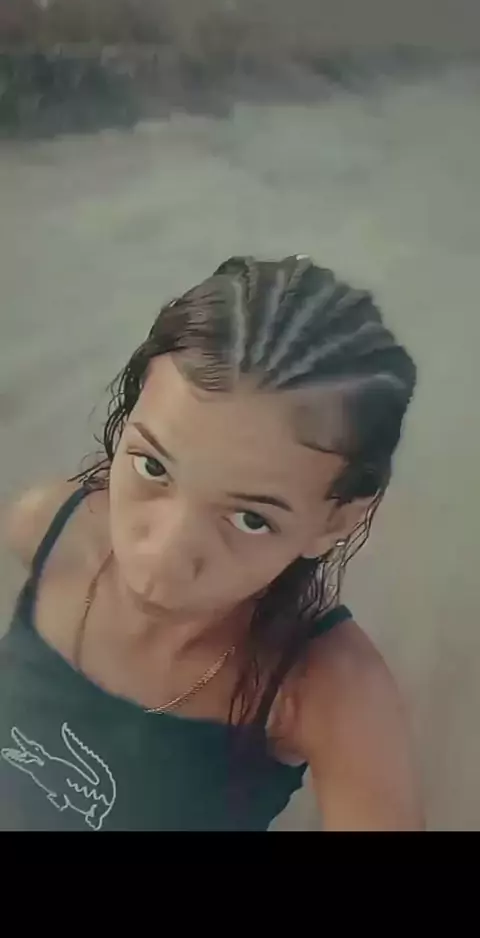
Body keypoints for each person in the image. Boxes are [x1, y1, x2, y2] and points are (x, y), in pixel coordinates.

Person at [0, 255, 423, 831]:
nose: (163, 557)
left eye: (250, 519)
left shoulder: (327, 693)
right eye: (152, 467)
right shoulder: (46, 530)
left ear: (336, 519)